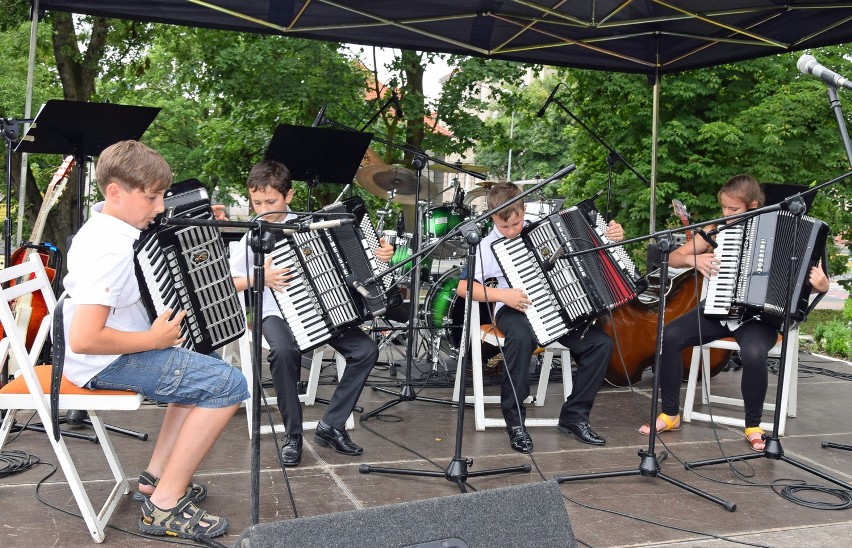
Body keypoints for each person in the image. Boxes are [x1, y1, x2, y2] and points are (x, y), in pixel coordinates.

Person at [62, 140, 249, 539]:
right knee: (229, 383)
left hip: (116, 349)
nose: (160, 207)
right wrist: (152, 337)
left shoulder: (115, 228)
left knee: (203, 361)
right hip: (103, 362)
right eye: (152, 197)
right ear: (115, 191)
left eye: (162, 195)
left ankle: (156, 477)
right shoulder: (107, 249)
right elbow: (84, 338)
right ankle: (164, 505)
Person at [637, 174, 830, 452]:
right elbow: (676, 256)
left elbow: (811, 281)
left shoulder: (791, 231)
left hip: (759, 320)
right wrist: (694, 259)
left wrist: (822, 286)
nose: (726, 215)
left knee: (752, 354)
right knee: (670, 335)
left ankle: (753, 425)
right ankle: (670, 413)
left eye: (733, 210)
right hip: (719, 309)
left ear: (752, 206)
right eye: (724, 208)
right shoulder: (718, 229)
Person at [229, 159, 394, 466]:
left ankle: (331, 425)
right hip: (274, 311)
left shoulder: (315, 223)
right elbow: (228, 282)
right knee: (283, 351)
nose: (263, 208)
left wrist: (381, 255)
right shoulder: (254, 236)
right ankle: (292, 435)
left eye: (271, 201)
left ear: (288, 195)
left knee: (366, 350)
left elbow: (362, 261)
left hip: (329, 308)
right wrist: (258, 278)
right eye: (256, 202)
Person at [456, 182, 624, 453]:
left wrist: (610, 236)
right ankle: (515, 421)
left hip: (559, 305)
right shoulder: (487, 245)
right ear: (492, 218)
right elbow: (464, 288)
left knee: (600, 344)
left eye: (516, 223)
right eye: (504, 226)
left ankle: (574, 416)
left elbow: (589, 245)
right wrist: (503, 295)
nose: (511, 231)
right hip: (514, 307)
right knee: (521, 338)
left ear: (524, 210)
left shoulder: (549, 228)